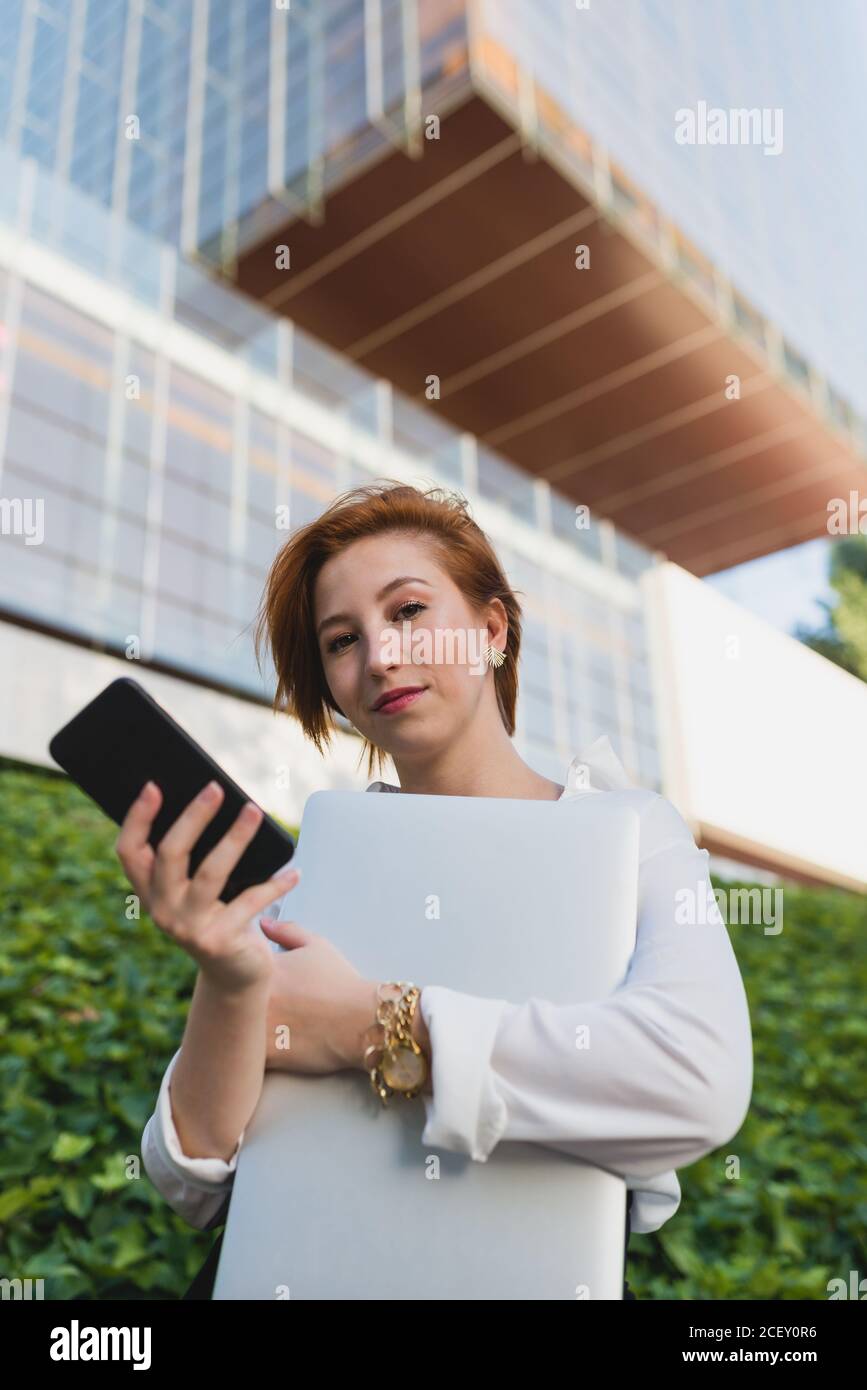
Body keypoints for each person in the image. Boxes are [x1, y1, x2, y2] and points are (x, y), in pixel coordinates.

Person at [128, 481, 753, 1300]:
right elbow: (194, 1173)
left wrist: (366, 1024)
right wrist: (230, 979)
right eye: (341, 641)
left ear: (492, 630)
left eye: (409, 611)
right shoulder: (314, 866)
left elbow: (694, 1079)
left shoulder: (632, 831)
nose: (379, 657)